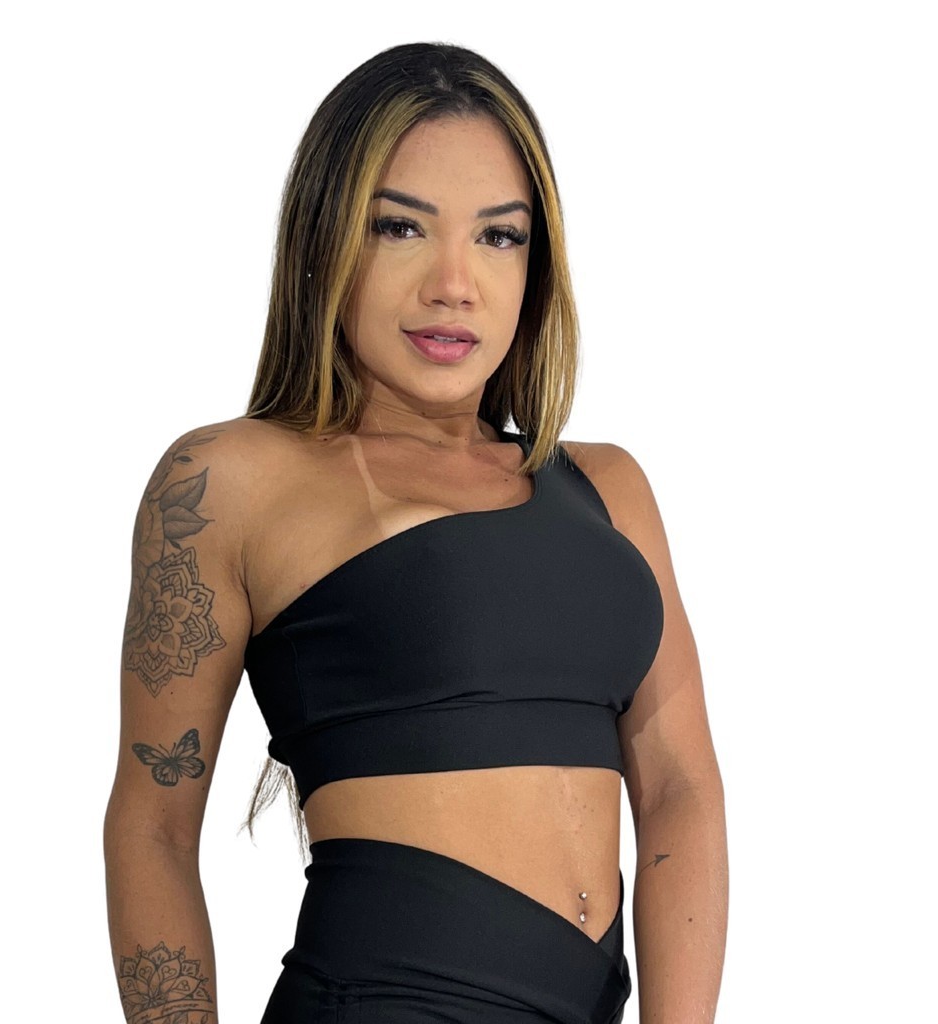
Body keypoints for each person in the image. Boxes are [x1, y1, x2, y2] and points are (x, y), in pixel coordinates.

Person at [104, 41, 728, 1024]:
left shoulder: (609, 489)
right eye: (400, 227)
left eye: (498, 236)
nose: (454, 283)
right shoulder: (230, 480)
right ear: (324, 241)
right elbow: (152, 828)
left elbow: (681, 792)